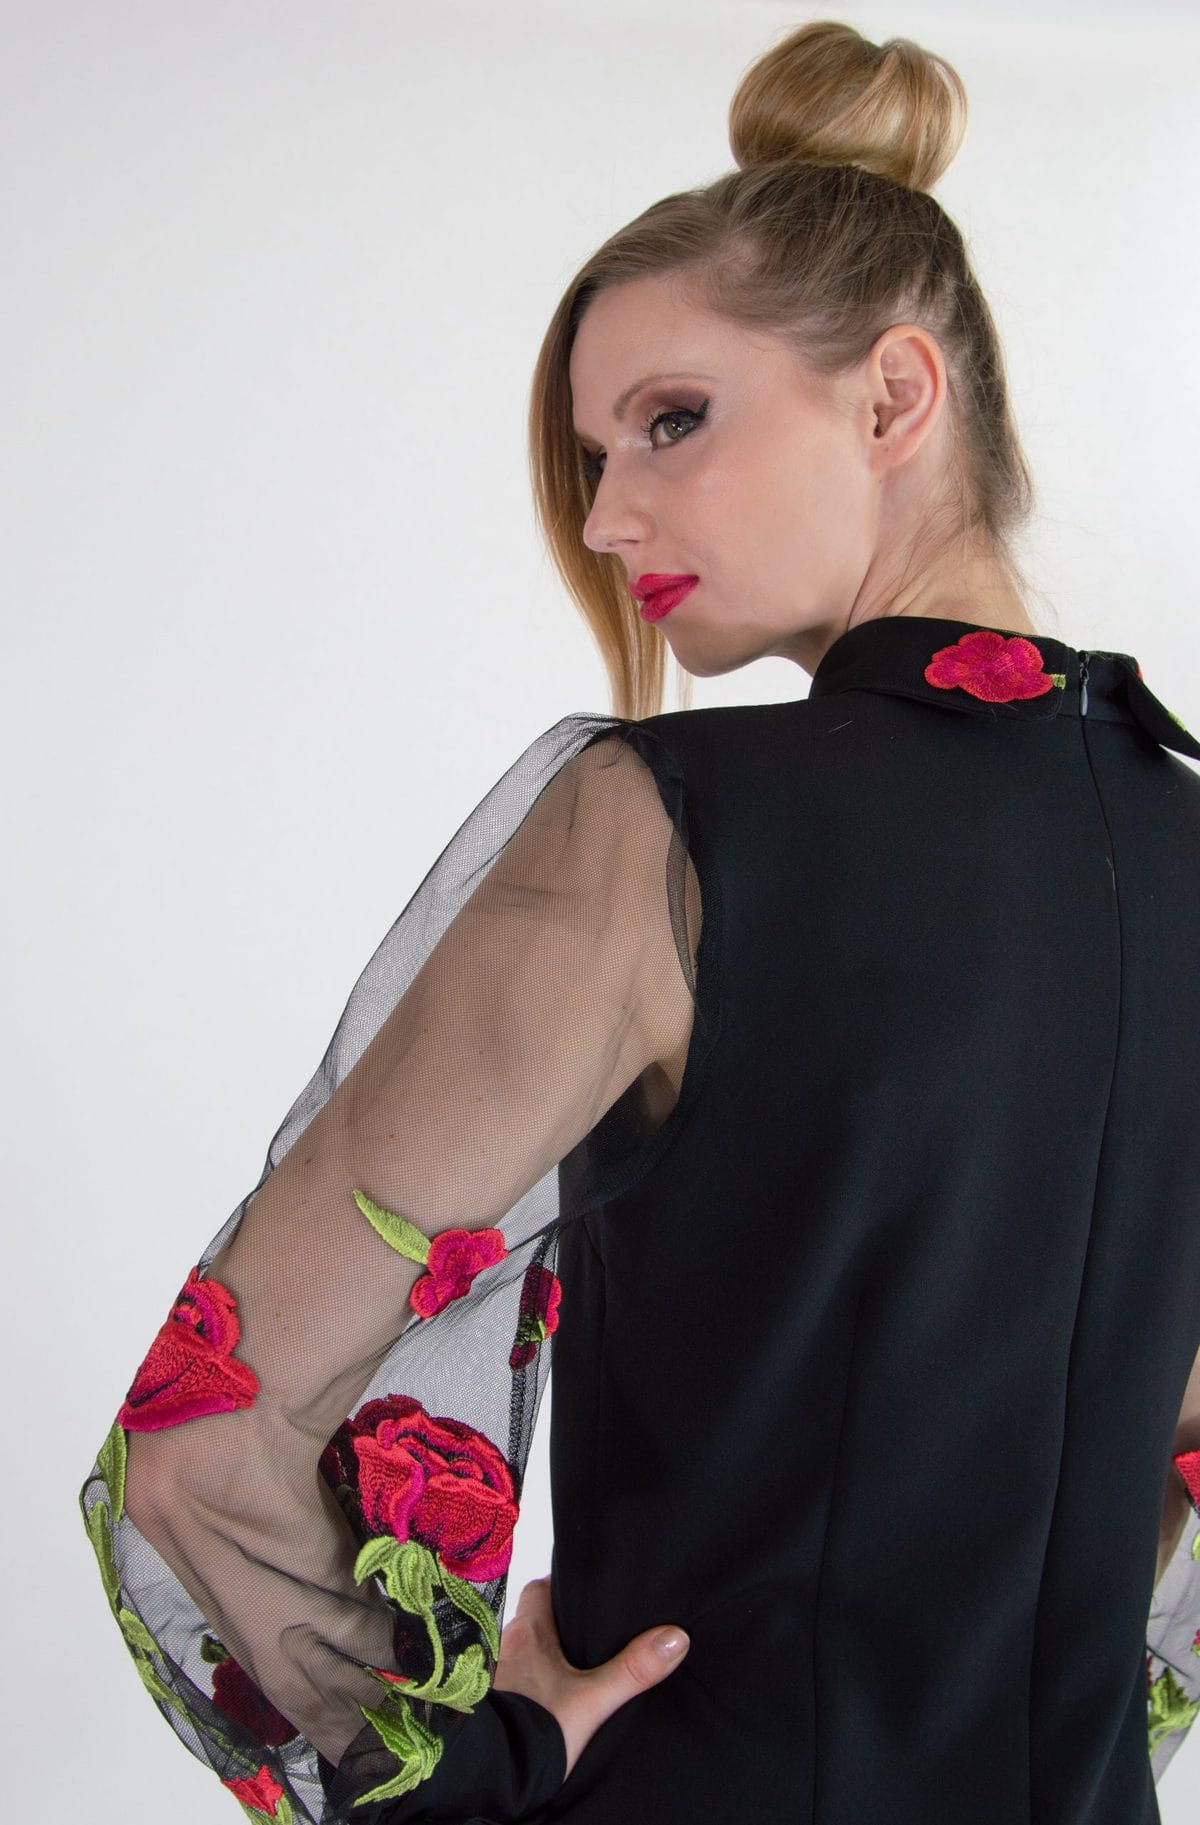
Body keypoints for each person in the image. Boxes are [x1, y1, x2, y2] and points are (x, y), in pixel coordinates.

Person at [80, 19, 1200, 1824]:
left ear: (894, 397)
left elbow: (201, 1443)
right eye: (597, 451)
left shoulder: (664, 833)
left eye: (672, 420)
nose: (608, 515)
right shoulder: (1182, 829)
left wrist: (471, 1770)